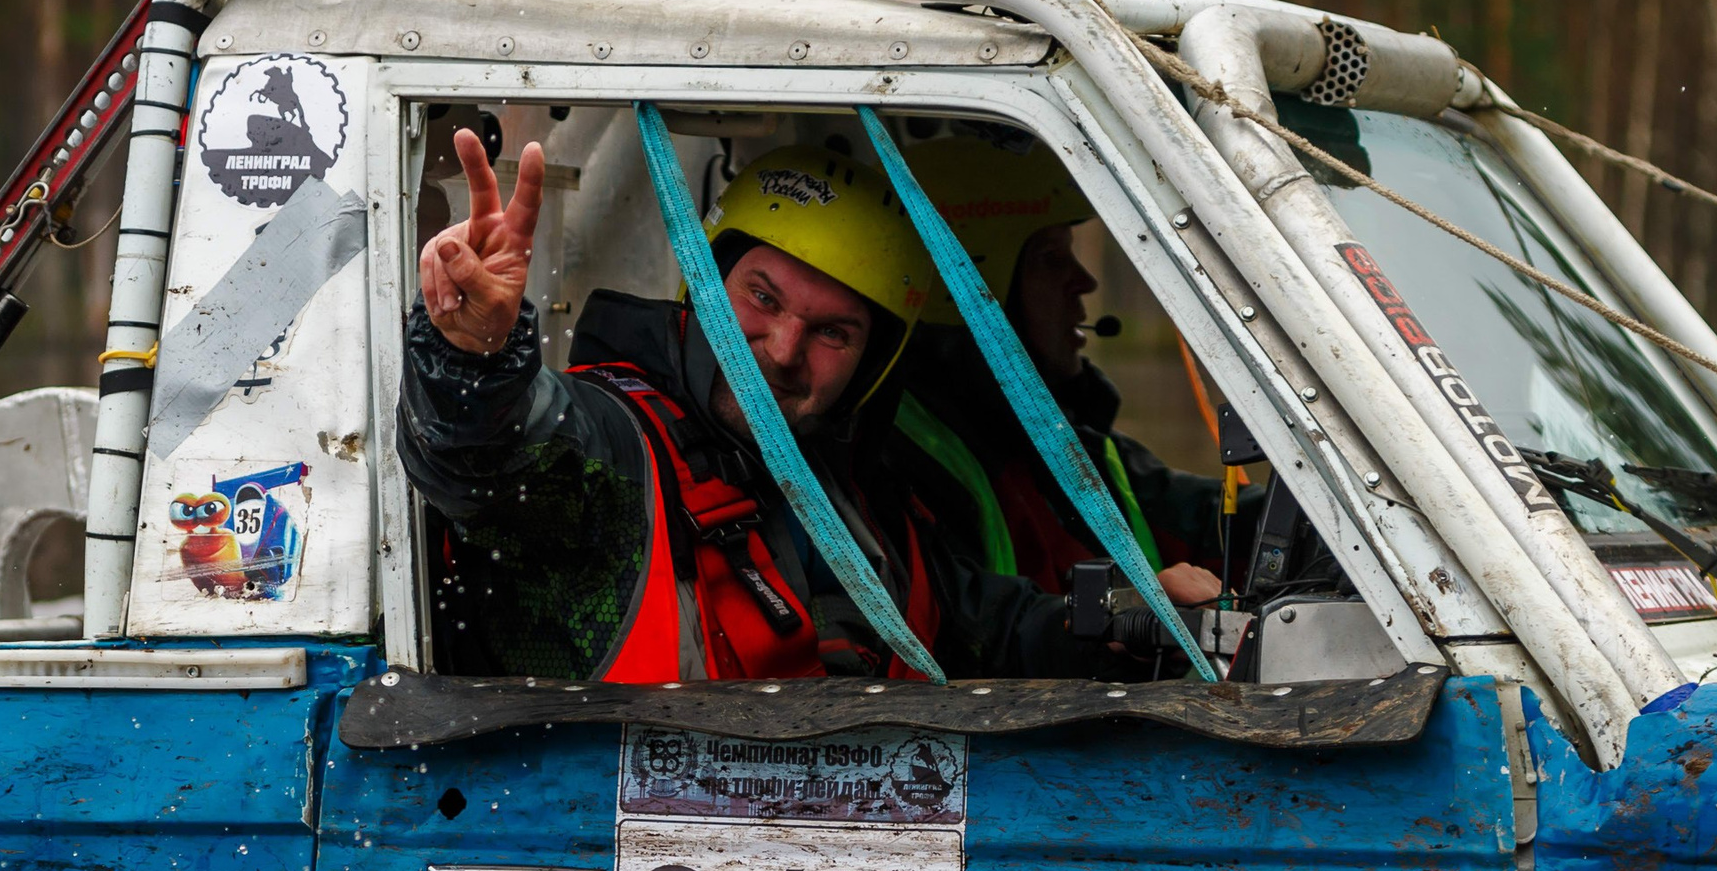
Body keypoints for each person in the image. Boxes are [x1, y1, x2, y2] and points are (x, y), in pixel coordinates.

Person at [399, 124, 1217, 682]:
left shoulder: (851, 493)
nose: (783, 349)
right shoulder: (613, 449)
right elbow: (490, 458)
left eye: (833, 332)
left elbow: (984, 623)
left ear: (871, 364)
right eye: (759, 296)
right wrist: (473, 356)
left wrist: (1124, 609)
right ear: (704, 284)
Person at [891, 134, 1257, 596]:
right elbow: (988, 627)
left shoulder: (1058, 435)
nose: (1085, 281)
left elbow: (1195, 516)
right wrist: (1126, 621)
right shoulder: (906, 460)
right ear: (970, 285)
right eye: (1051, 259)